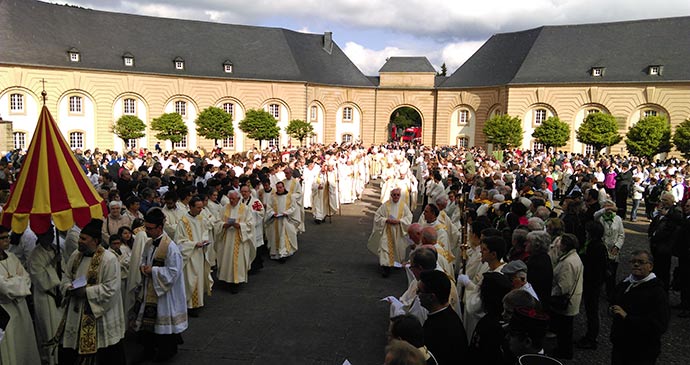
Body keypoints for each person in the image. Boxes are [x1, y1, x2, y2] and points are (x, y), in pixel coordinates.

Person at [57, 219, 126, 365]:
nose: (79, 241)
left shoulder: (109, 259)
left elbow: (111, 288)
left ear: (95, 240)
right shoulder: (76, 255)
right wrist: (68, 287)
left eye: (83, 239)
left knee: (104, 354)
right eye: (80, 238)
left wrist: (86, 292)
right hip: (76, 313)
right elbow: (66, 276)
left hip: (99, 315)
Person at [132, 209, 188, 362]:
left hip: (164, 294)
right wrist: (143, 267)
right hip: (151, 288)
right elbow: (144, 259)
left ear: (159, 227)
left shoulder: (171, 248)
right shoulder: (149, 243)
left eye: (150, 228)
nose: (147, 231)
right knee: (149, 324)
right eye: (146, 228)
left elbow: (173, 272)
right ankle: (148, 349)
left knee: (163, 325)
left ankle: (166, 352)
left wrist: (154, 270)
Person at [610, 249, 670, 365]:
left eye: (641, 262)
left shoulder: (657, 292)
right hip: (620, 346)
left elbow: (659, 325)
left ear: (650, 266)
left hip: (642, 351)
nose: (636, 264)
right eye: (633, 262)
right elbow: (614, 300)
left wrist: (628, 317)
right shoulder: (625, 283)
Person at [0, 226, 41, 365]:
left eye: (7, 237)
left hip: (21, 308)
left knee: (24, 346)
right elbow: (4, 288)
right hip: (5, 309)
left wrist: (13, 283)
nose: (7, 240)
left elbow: (27, 278)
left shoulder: (11, 257)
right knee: (10, 349)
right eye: (3, 238)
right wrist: (17, 282)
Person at [28, 226, 65, 365]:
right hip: (46, 296)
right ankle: (50, 359)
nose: (50, 236)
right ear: (40, 235)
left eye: (51, 232)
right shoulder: (35, 255)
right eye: (47, 233)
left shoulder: (55, 248)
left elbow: (63, 270)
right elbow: (40, 278)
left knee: (59, 326)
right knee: (49, 329)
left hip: (58, 293)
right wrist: (54, 262)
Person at [418, 270, 468, 365]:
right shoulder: (444, 316)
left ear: (432, 297)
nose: (417, 294)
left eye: (420, 291)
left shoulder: (442, 328)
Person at [174, 196, 214, 315]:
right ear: (190, 207)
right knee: (191, 279)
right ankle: (190, 305)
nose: (200, 210)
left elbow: (205, 232)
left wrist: (205, 241)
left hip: (200, 253)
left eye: (201, 207)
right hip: (190, 255)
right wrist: (194, 244)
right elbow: (179, 242)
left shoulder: (201, 218)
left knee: (200, 278)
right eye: (198, 208)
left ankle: (198, 302)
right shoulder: (183, 221)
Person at [549, 233, 583, 360]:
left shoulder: (568, 262)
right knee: (565, 329)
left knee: (564, 330)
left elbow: (564, 286)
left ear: (564, 245)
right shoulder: (573, 257)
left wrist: (551, 293)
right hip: (572, 299)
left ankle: (564, 352)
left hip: (566, 301)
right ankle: (563, 350)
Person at [575, 220, 608, 350]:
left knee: (592, 311)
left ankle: (591, 338)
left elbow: (595, 268)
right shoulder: (594, 244)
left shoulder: (596, 247)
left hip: (592, 284)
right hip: (591, 282)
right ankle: (590, 336)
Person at [368, 187, 413, 277]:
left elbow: (409, 217)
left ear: (400, 196)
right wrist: (386, 220)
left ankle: (396, 263)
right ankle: (385, 267)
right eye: (394, 195)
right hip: (387, 230)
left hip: (398, 231)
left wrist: (400, 221)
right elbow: (377, 216)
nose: (396, 197)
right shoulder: (386, 205)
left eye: (398, 195)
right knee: (385, 248)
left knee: (398, 249)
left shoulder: (403, 206)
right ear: (391, 195)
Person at [216, 190, 255, 293]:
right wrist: (224, 225)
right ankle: (226, 280)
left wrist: (240, 226)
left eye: (233, 199)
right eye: (230, 199)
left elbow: (251, 224)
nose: (231, 201)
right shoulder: (224, 208)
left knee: (237, 261)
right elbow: (217, 222)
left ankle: (236, 282)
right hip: (227, 239)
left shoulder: (245, 209)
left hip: (240, 239)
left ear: (238, 198)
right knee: (227, 259)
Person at [264, 181, 299, 261]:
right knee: (276, 236)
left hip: (286, 220)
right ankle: (276, 253)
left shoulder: (290, 196)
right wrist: (273, 213)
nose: (279, 189)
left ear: (284, 187)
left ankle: (284, 253)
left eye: (280, 187)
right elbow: (269, 208)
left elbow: (293, 208)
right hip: (275, 221)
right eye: (277, 188)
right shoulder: (273, 196)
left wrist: (286, 213)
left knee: (285, 236)